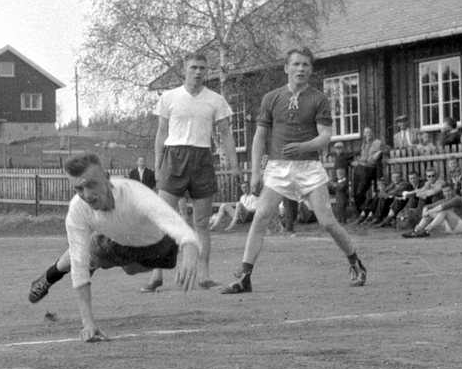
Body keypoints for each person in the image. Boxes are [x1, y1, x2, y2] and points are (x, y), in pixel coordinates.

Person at [221, 47, 367, 294]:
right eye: (296, 64)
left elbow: (325, 137)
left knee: (327, 221)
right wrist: (255, 173)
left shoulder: (318, 99)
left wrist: (303, 146)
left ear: (310, 69)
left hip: (309, 168)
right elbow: (259, 136)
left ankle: (356, 263)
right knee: (261, 217)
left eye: (306, 65)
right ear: (286, 68)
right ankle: (244, 277)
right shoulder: (271, 98)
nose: (301, 69)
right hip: (278, 168)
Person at [27, 152, 200, 342]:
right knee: (86, 253)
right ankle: (50, 276)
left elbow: (180, 228)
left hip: (158, 248)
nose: (87, 195)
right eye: (79, 188)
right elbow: (78, 263)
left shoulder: (135, 194)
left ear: (107, 178)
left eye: (92, 184)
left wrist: (190, 254)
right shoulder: (78, 208)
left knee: (130, 270)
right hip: (114, 244)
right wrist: (88, 324)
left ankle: (95, 261)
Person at [142, 51, 239, 292]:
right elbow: (161, 132)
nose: (198, 72)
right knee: (163, 219)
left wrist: (235, 164)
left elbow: (226, 133)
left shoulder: (215, 99)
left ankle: (204, 276)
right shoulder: (169, 97)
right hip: (174, 158)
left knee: (202, 222)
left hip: (202, 159)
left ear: (207, 71)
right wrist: (158, 163)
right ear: (185, 69)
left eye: (202, 68)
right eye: (194, 67)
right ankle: (156, 275)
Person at [350, 127, 385, 215]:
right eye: (367, 132)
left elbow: (388, 148)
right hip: (359, 167)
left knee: (360, 192)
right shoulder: (364, 144)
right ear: (364, 134)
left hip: (369, 169)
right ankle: (360, 213)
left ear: (373, 133)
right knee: (355, 192)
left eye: (370, 132)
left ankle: (365, 211)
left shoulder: (378, 142)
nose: (369, 134)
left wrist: (379, 152)